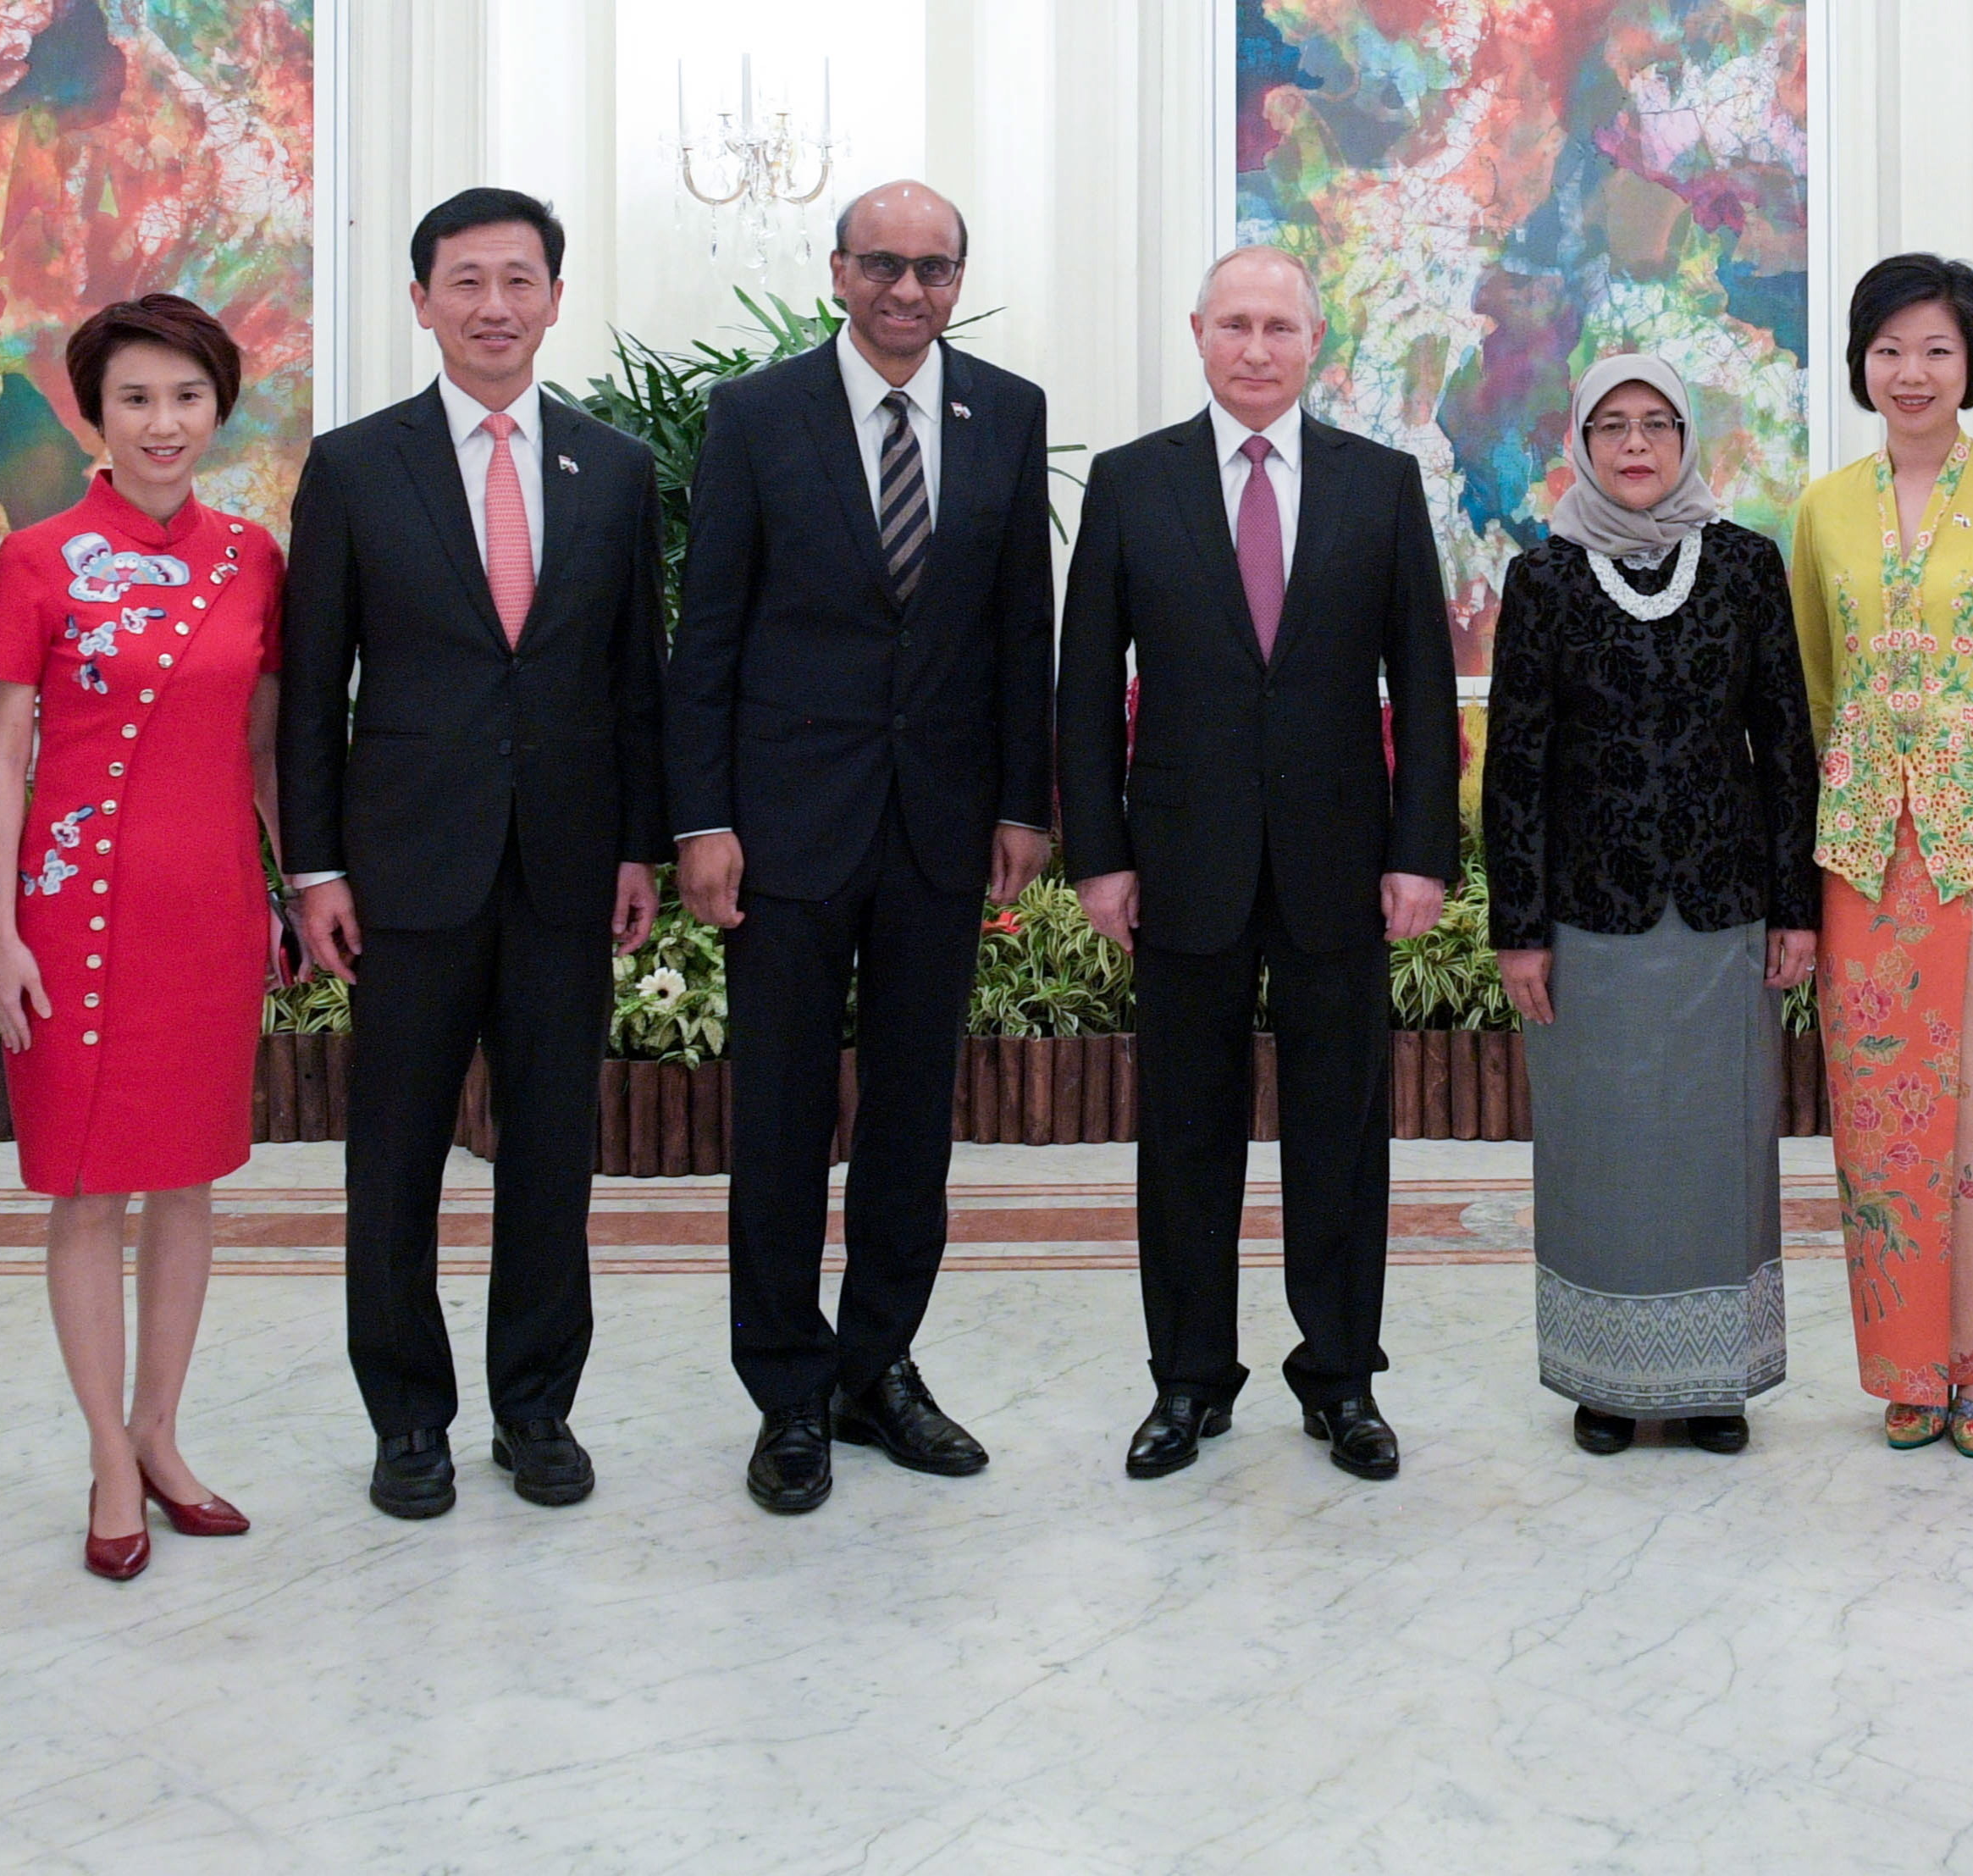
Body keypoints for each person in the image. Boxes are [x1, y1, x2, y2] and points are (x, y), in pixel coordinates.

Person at [665, 181, 1056, 1518]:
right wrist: (702, 819)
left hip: (940, 826)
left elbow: (1022, 630)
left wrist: (1022, 803)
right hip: (785, 824)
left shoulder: (1004, 411)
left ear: (959, 278)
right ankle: (785, 1393)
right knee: (776, 1115)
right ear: (837, 270)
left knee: (909, 1118)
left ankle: (877, 1367)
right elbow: (706, 628)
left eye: (933, 268)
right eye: (882, 265)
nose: (907, 289)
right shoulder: (757, 414)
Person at [278, 187, 669, 1522]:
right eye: (466, 281)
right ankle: (407, 1420)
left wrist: (636, 846)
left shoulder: (612, 469)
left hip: (563, 868)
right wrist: (315, 867)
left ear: (555, 299)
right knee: (392, 1156)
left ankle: (536, 1409)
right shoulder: (352, 466)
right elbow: (311, 684)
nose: (493, 306)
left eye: (518, 280)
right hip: (403, 872)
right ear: (421, 301)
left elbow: (635, 682)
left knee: (554, 1154)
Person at [1058, 245, 1458, 1485]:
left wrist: (1421, 855)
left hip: (1341, 861)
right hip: (1182, 861)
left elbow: (1426, 688)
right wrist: (1098, 856)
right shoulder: (1132, 483)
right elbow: (1084, 690)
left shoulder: (1379, 485)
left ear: (1314, 343)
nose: (1255, 348)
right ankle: (1187, 1380)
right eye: (1233, 324)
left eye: (1279, 327)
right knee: (1185, 1131)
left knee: (1341, 1133)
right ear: (1196, 332)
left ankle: (1340, 1379)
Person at [0, 293, 288, 1580]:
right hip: (74, 912)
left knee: (191, 1180)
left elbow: (262, 751)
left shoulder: (255, 557)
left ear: (220, 409)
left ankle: (163, 1434)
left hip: (210, 908)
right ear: (95, 415)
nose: (164, 424)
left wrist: (290, 891)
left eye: (188, 398)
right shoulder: (36, 558)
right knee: (91, 1188)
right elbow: (2, 760)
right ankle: (107, 1449)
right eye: (136, 400)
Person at [1480, 355, 1823, 1456]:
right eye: (1613, 427)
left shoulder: (1743, 567)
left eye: (1658, 425)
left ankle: (1714, 1378)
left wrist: (1794, 907)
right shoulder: (1541, 580)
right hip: (1590, 919)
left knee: (1715, 1139)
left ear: (1688, 442)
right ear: (1580, 444)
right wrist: (1518, 928)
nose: (1636, 445)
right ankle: (1607, 1381)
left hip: (1722, 914)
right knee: (1602, 1143)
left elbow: (1785, 746)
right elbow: (1515, 765)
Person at [1787, 253, 1973, 1459]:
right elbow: (1816, 683)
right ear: (1861, 363)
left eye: (1937, 351)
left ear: (1971, 364)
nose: (1911, 373)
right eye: (1889, 350)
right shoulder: (1820, 509)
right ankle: (1904, 1370)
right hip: (1865, 858)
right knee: (1878, 1121)